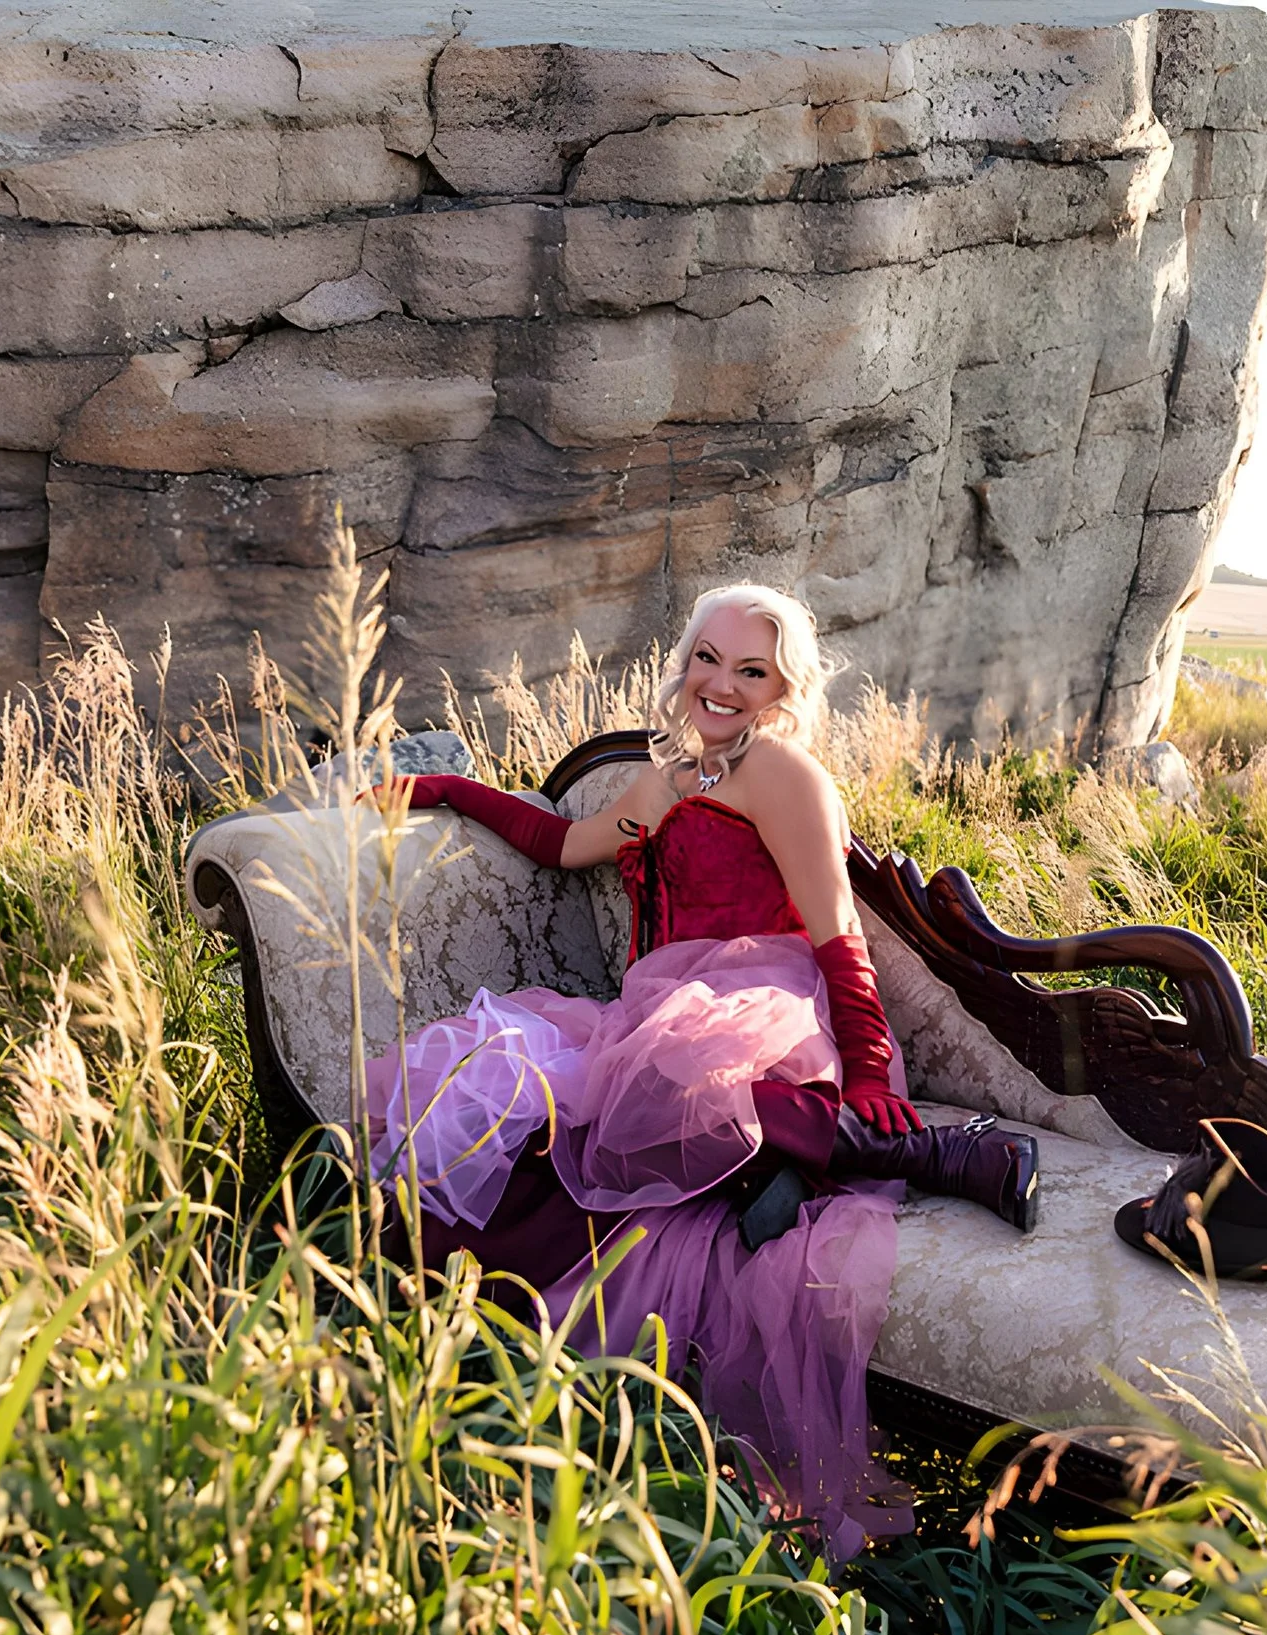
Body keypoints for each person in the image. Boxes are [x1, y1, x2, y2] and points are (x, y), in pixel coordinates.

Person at [363, 583, 1038, 1560]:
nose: (720, 683)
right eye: (706, 658)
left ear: (782, 691)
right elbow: (562, 844)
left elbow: (837, 936)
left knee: (665, 1084)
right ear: (681, 663)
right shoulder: (668, 775)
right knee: (511, 1113)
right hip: (658, 1019)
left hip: (769, 1012)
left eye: (750, 669)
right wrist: (442, 790)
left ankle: (915, 1147)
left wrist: (871, 1080)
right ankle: (780, 1158)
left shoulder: (782, 774)